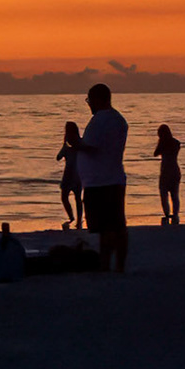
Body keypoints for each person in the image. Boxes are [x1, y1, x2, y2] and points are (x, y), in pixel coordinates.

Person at [70, 83, 129, 272]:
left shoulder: (100, 120)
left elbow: (92, 147)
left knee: (107, 228)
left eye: (90, 100)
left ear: (99, 99)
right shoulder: (119, 119)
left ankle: (107, 265)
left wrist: (75, 142)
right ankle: (117, 265)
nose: (89, 104)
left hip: (100, 182)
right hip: (112, 178)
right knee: (116, 225)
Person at [153, 124, 182, 226]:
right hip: (174, 170)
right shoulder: (176, 143)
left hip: (166, 171)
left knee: (164, 195)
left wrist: (160, 143)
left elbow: (155, 153)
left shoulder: (163, 144)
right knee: (174, 195)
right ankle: (175, 215)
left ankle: (167, 214)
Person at [56, 120, 82, 228]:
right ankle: (76, 219)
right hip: (75, 174)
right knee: (74, 197)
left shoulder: (72, 145)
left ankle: (75, 219)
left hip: (72, 174)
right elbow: (58, 157)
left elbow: (58, 157)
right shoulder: (76, 144)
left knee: (70, 197)